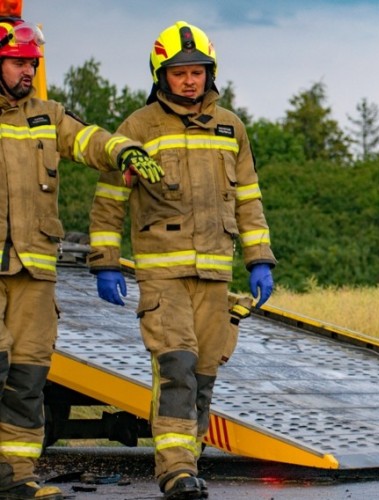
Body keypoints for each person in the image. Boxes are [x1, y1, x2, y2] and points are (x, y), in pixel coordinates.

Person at [88, 20, 275, 500]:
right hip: (162, 275)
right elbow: (110, 199)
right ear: (161, 76)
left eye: (197, 71)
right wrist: (105, 260)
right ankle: (174, 471)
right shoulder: (138, 128)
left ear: (210, 73)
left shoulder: (231, 127)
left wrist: (259, 258)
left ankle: (189, 462)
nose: (190, 81)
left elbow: (248, 198)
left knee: (204, 374)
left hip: (215, 273)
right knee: (176, 366)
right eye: (179, 72)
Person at [0, 16, 165, 500]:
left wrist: (125, 151)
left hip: (34, 274)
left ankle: (15, 476)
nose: (28, 72)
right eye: (17, 63)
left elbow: (89, 139)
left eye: (32, 64)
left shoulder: (47, 115)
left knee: (28, 378)